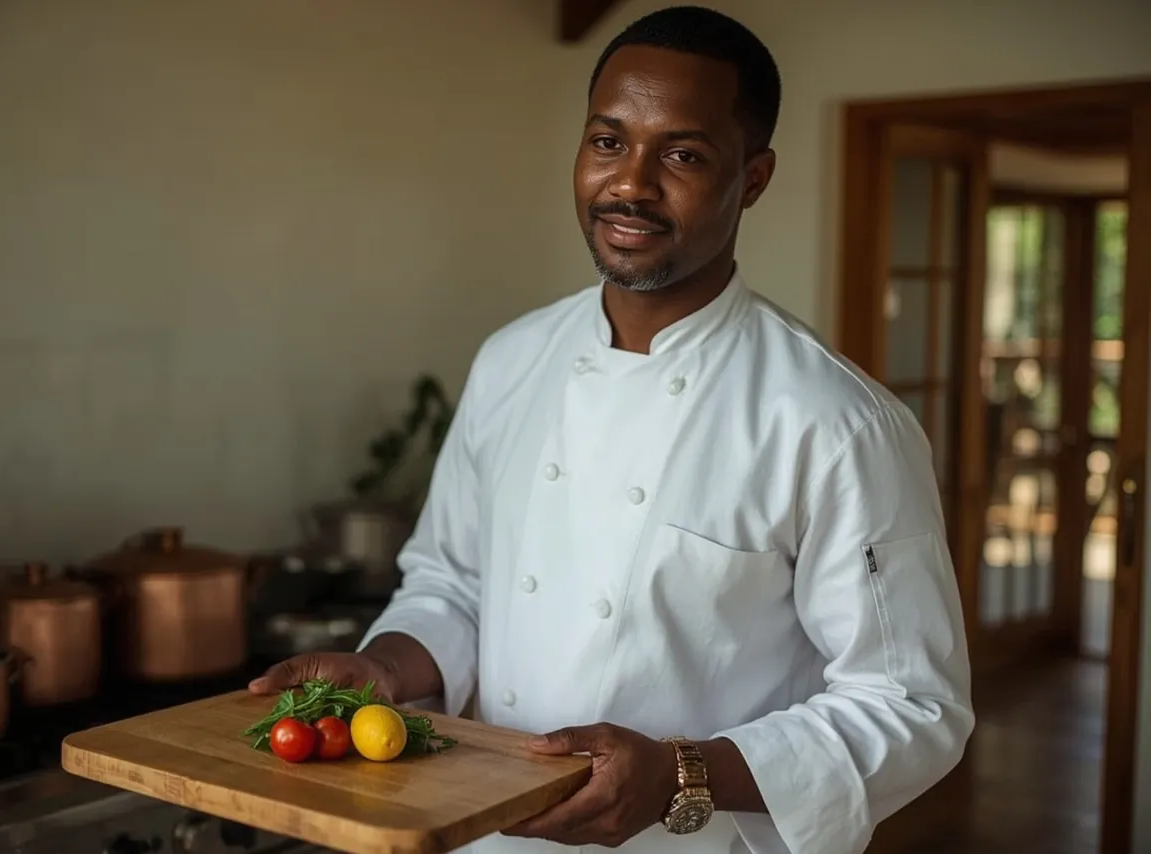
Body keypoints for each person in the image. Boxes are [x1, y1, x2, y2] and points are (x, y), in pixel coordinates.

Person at [250, 6, 974, 853]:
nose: (630, 182)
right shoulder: (512, 359)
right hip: (486, 832)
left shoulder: (837, 421)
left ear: (754, 176)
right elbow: (450, 580)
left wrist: (679, 774)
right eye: (607, 142)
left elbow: (911, 705)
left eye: (683, 154)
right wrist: (384, 668)